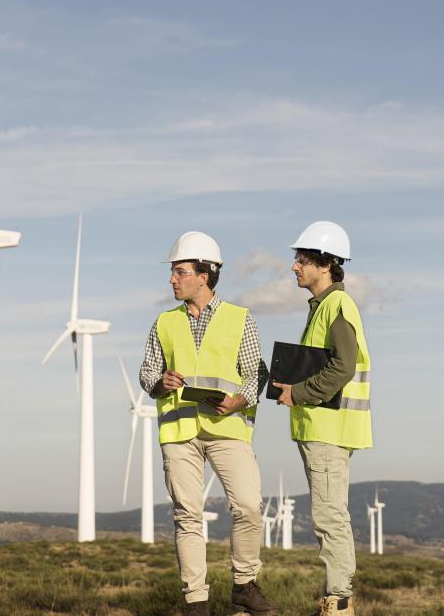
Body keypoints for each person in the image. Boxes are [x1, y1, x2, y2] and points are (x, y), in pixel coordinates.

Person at [140, 231, 278, 616]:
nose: (172, 279)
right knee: (187, 515)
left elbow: (255, 373)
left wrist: (239, 400)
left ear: (204, 275)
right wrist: (159, 380)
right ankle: (195, 600)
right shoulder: (163, 322)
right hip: (179, 431)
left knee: (249, 506)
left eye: (179, 271)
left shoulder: (240, 319)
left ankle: (244, 584)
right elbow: (147, 371)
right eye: (172, 272)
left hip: (228, 427)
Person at [271, 221, 372, 616]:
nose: (294, 267)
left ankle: (339, 602)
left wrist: (297, 393)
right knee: (327, 514)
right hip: (319, 428)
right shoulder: (322, 308)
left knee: (330, 515)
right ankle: (337, 598)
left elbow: (343, 368)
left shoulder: (337, 306)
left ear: (326, 262)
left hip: (330, 429)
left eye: (301, 260)